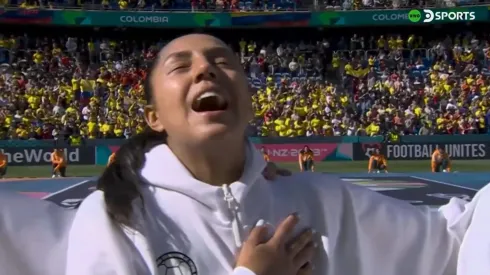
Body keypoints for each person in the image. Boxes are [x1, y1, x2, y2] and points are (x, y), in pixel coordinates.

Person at [67, 34, 489, 275]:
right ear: (154, 116)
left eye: (222, 61)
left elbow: (452, 241)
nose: (205, 69)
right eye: (180, 66)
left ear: (251, 102)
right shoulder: (113, 215)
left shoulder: (323, 200)